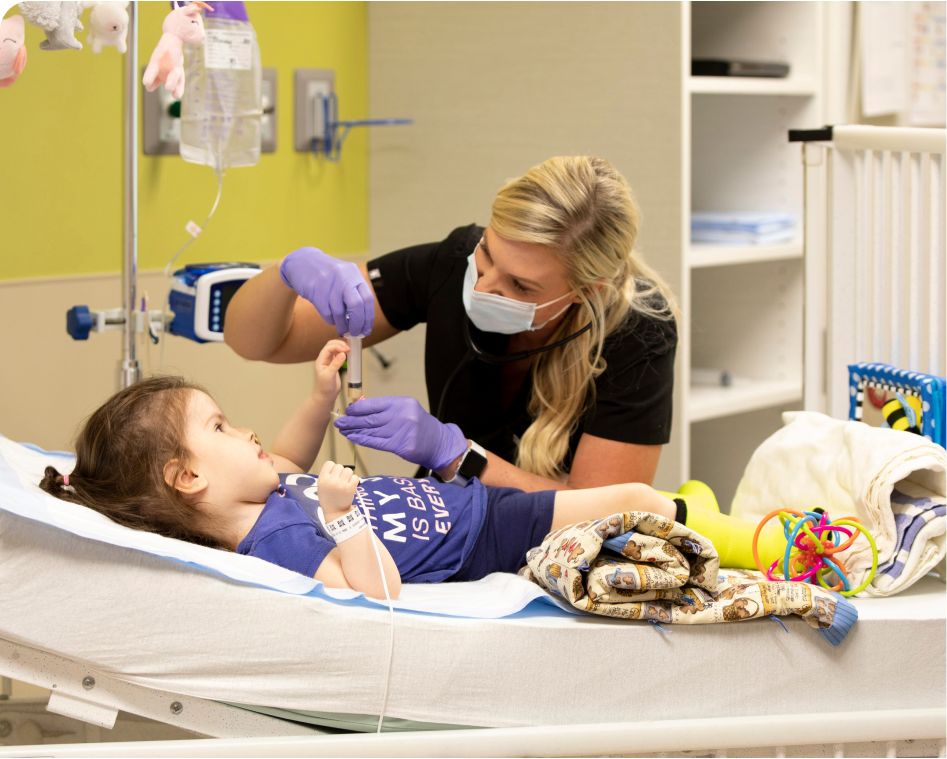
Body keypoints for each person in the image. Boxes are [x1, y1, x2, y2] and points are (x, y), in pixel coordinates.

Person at [39, 344, 787, 600]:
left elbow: (292, 458)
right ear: (186, 479)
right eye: (221, 428)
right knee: (628, 499)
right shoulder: (276, 544)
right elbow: (376, 589)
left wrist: (318, 397)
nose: (248, 432)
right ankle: (774, 547)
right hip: (487, 533)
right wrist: (345, 519)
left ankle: (694, 507)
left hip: (464, 502)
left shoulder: (271, 490)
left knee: (637, 501)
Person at [224, 156, 678, 492]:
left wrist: (456, 454)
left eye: (520, 286)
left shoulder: (637, 330)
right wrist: (288, 272)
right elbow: (257, 342)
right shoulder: (452, 263)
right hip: (441, 525)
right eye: (488, 254)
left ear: (588, 290)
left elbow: (605, 511)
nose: (483, 287)